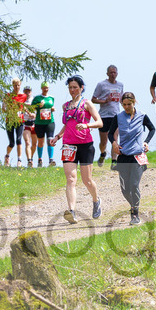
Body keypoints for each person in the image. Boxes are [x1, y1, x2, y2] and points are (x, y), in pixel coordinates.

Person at [49, 75, 103, 223]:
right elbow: (67, 125)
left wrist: (86, 125)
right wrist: (57, 137)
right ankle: (71, 211)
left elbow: (99, 122)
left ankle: (96, 200)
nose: (72, 90)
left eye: (75, 87)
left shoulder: (87, 104)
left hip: (85, 144)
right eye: (70, 87)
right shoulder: (65, 106)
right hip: (68, 144)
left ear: (81, 88)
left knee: (87, 180)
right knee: (71, 179)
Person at [112, 92, 156, 225]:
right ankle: (134, 206)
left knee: (134, 185)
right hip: (123, 157)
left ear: (134, 102)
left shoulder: (142, 116)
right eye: (124, 105)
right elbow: (109, 133)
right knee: (125, 189)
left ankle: (135, 214)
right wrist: (114, 143)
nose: (126, 107)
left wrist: (146, 142)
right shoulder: (118, 117)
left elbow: (152, 129)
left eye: (129, 104)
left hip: (138, 156)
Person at [91, 65, 123, 169]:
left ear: (117, 74)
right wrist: (105, 101)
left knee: (114, 139)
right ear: (107, 74)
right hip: (104, 116)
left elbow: (122, 99)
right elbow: (93, 99)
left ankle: (114, 161)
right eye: (111, 72)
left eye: (114, 72)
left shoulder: (120, 85)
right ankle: (103, 153)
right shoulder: (101, 84)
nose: (113, 74)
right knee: (104, 141)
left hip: (116, 115)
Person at [30, 81, 56, 167]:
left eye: (47, 88)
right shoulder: (37, 98)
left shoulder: (51, 98)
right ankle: (40, 159)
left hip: (49, 122)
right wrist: (38, 106)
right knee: (41, 142)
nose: (46, 89)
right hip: (39, 123)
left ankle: (51, 160)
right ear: (41, 88)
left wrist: (52, 109)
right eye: (44, 88)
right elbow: (31, 107)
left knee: (50, 140)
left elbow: (51, 106)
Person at [2, 77, 26, 166]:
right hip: (10, 121)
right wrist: (9, 110)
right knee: (12, 142)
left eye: (18, 85)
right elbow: (3, 108)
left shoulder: (23, 96)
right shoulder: (8, 95)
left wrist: (30, 113)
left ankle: (19, 160)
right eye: (15, 85)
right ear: (13, 86)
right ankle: (7, 156)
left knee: (19, 140)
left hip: (20, 121)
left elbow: (25, 107)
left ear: (20, 86)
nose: (17, 87)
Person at [21, 85, 37, 166]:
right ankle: (29, 160)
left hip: (34, 123)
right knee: (27, 142)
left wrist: (35, 115)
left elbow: (39, 109)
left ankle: (31, 157)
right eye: (26, 91)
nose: (27, 93)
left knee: (34, 144)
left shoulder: (34, 100)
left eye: (29, 91)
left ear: (31, 92)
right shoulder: (21, 101)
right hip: (26, 123)